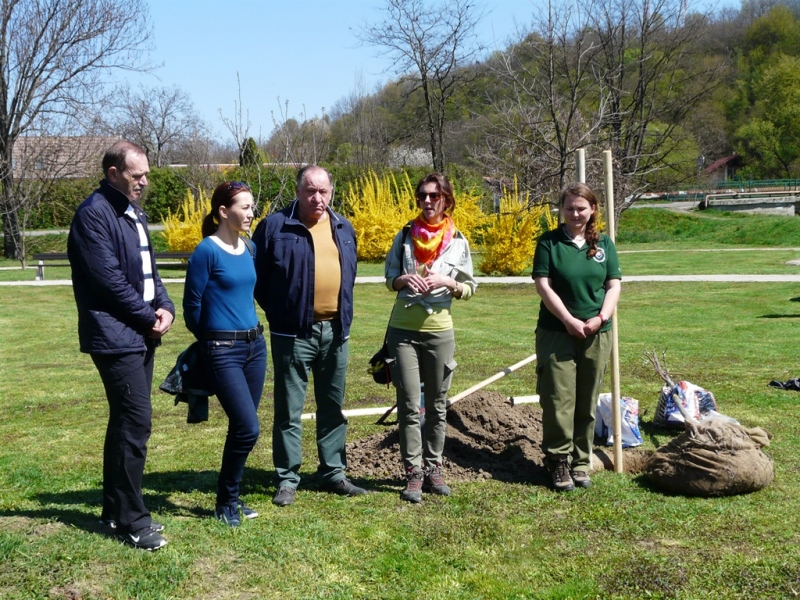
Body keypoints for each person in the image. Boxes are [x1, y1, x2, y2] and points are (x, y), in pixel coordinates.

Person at [67, 140, 174, 550]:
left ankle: (113, 511)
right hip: (115, 337)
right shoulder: (93, 215)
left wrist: (164, 306)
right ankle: (133, 519)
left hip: (137, 333)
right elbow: (109, 283)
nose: (144, 182)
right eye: (136, 175)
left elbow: (148, 271)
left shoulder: (132, 213)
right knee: (135, 423)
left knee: (125, 422)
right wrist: (149, 318)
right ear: (113, 173)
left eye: (146, 175)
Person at [252, 165, 366, 506]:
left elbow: (351, 274)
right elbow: (256, 279)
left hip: (336, 332)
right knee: (289, 409)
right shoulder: (275, 227)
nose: (317, 198)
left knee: (333, 406)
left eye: (324, 191)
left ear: (332, 192)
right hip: (292, 334)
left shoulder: (344, 227)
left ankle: (333, 472)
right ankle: (287, 478)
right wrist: (280, 312)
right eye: (310, 191)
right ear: (298, 191)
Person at [384, 172, 477, 503]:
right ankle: (413, 475)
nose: (426, 201)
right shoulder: (406, 235)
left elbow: (470, 287)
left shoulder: (458, 241)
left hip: (440, 332)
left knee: (437, 406)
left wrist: (448, 283)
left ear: (446, 200)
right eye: (422, 195)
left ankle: (434, 468)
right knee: (410, 406)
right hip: (403, 331)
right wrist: (404, 280)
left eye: (433, 196)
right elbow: (389, 278)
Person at [183, 181, 267, 527]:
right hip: (222, 350)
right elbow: (192, 307)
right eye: (244, 208)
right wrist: (212, 342)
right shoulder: (207, 250)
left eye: (251, 208)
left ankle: (230, 499)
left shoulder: (248, 248)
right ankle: (224, 502)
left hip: (255, 348)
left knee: (240, 426)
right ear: (223, 211)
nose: (251, 214)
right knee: (249, 428)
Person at [532, 182, 622, 492]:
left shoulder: (605, 245)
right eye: (569, 208)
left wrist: (601, 318)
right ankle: (558, 461)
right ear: (562, 210)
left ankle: (581, 461)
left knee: (587, 399)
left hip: (597, 334)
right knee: (558, 398)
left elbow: (614, 285)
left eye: (581, 208)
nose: (575, 213)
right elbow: (543, 286)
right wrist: (569, 320)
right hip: (557, 332)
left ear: (593, 210)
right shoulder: (549, 243)